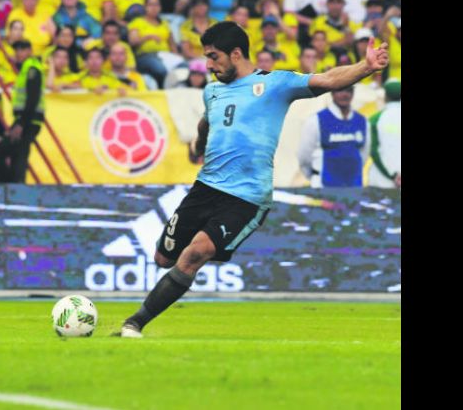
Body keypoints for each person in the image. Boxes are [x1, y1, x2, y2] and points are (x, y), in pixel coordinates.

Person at [119, 20, 388, 337]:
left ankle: (133, 323)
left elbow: (328, 79)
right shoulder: (213, 92)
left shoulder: (276, 84)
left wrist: (366, 67)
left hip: (246, 198)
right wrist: (198, 146)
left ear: (236, 54)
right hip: (205, 188)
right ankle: (147, 307)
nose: (208, 65)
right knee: (163, 258)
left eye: (214, 56)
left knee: (193, 255)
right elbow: (208, 123)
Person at [0, 40, 45, 183]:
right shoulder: (26, 68)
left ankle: (11, 187)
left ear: (30, 51)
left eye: (23, 49)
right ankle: (14, 188)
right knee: (19, 156)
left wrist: (20, 123)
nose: (19, 53)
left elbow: (32, 99)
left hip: (27, 121)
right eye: (17, 50)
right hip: (27, 120)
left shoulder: (31, 69)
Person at [297, 85, 371, 188]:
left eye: (349, 90)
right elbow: (304, 157)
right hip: (323, 186)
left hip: (353, 186)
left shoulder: (362, 121)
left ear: (353, 93)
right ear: (332, 92)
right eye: (340, 89)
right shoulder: (316, 120)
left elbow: (364, 154)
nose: (345, 94)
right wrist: (315, 177)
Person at [367, 78, 401, 188]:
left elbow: (373, 151)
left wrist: (392, 175)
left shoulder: (375, 119)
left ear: (385, 96)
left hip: (381, 180)